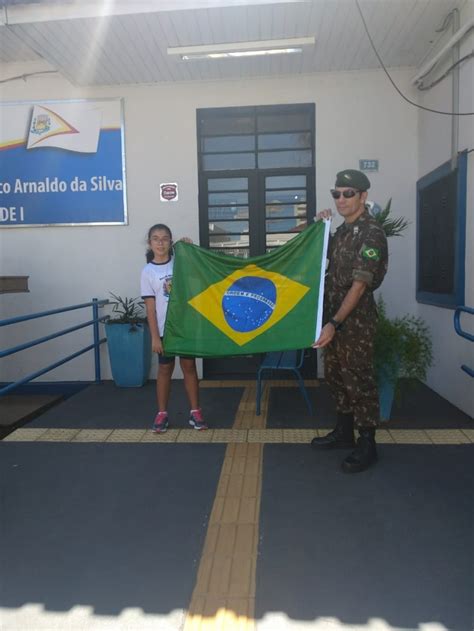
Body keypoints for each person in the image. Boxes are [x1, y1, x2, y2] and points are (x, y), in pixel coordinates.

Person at [312, 170, 388, 473]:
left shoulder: (372, 233)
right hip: (334, 319)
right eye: (337, 193)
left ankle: (367, 443)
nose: (341, 199)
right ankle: (344, 432)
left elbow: (358, 286)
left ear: (363, 196)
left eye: (348, 193)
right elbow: (319, 259)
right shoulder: (343, 231)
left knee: (358, 379)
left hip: (354, 323)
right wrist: (321, 228)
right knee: (335, 376)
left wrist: (334, 323)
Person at [140, 223, 207, 433]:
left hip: (184, 327)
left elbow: (198, 276)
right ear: (150, 243)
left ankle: (195, 411)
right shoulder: (147, 272)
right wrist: (155, 338)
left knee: (189, 368)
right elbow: (150, 309)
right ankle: (162, 413)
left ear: (171, 241)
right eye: (156, 239)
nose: (160, 243)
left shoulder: (180, 263)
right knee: (164, 370)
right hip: (164, 330)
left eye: (165, 238)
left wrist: (189, 249)